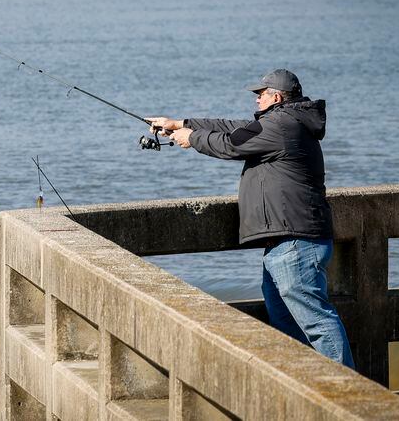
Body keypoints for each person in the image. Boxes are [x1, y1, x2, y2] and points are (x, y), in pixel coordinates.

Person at [146, 69, 354, 368]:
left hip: (296, 241)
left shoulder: (281, 125)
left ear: (277, 97)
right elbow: (236, 128)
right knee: (286, 323)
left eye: (261, 93)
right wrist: (180, 124)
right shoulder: (284, 121)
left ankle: (345, 396)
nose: (257, 98)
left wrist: (192, 138)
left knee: (316, 321)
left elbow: (232, 144)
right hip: (283, 241)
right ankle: (305, 388)